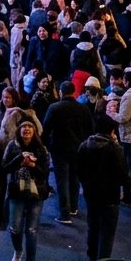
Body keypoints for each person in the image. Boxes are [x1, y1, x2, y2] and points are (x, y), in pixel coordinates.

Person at [1, 112, 50, 261]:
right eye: (23, 127)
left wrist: (33, 165)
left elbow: (44, 174)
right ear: (19, 130)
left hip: (36, 194)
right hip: (16, 192)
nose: (27, 129)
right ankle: (18, 251)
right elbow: (4, 168)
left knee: (31, 230)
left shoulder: (42, 149)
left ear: (34, 130)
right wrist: (19, 161)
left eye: (30, 126)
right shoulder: (12, 146)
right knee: (14, 227)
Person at [77, 114, 131, 261]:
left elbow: (79, 170)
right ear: (111, 131)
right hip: (110, 196)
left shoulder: (84, 145)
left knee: (93, 228)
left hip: (90, 194)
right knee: (107, 234)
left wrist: (86, 185)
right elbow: (122, 173)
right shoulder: (114, 149)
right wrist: (130, 190)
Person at [43, 80, 95, 224]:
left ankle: (64, 214)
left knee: (62, 181)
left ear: (61, 92)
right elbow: (91, 130)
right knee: (74, 179)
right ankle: (73, 207)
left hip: (59, 149)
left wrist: (47, 146)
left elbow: (46, 130)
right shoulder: (84, 109)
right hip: (79, 149)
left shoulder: (54, 108)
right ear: (74, 92)